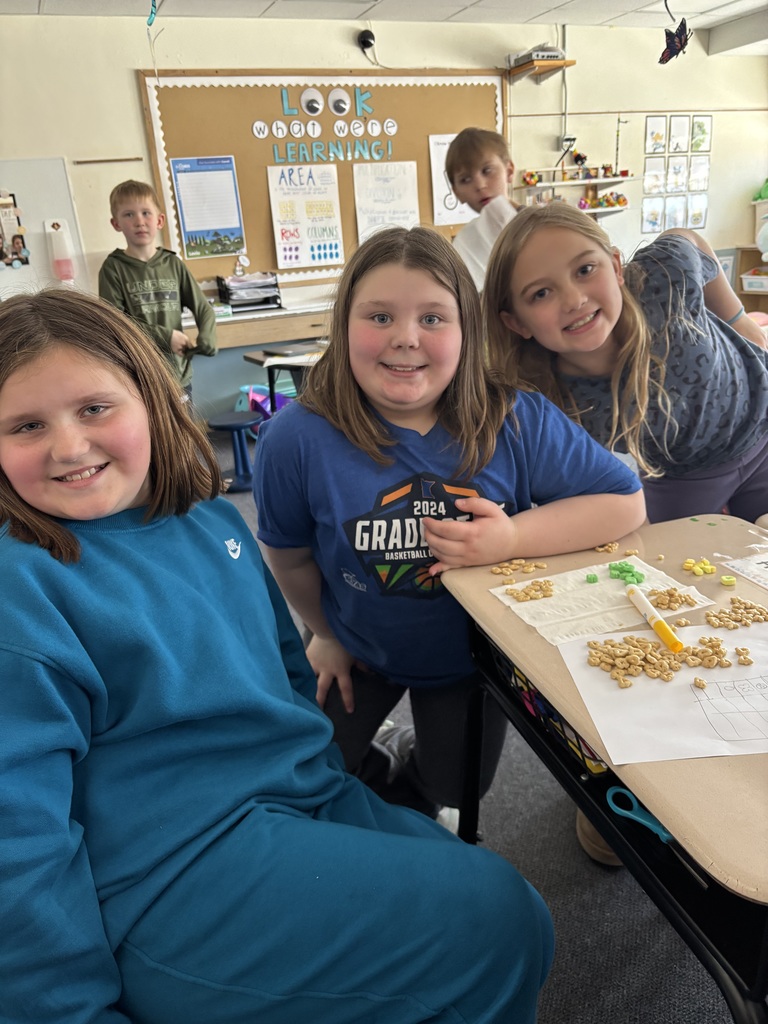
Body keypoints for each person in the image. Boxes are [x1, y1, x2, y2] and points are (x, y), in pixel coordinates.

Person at [0, 288, 555, 1024]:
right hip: (168, 878)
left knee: (491, 902)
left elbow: (283, 673)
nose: (69, 446)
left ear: (150, 401)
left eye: (95, 408)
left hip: (290, 801)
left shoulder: (204, 520)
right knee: (499, 922)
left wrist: (326, 787)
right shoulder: (21, 589)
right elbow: (18, 845)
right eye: (27, 425)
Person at [252, 225, 646, 833]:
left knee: (452, 784)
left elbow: (623, 503)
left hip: (472, 661)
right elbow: (291, 557)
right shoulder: (295, 439)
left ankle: (413, 772)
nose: (406, 338)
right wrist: (327, 633)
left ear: (467, 332)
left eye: (433, 318)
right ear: (343, 325)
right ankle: (382, 756)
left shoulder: (514, 417)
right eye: (379, 316)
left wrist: (513, 538)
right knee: (316, 769)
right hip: (358, 645)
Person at [483, 202, 768, 524]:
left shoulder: (661, 278)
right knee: (657, 565)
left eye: (585, 270)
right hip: (682, 477)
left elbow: (688, 238)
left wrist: (738, 316)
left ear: (617, 267)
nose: (575, 300)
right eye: (541, 293)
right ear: (517, 323)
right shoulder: (540, 398)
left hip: (763, 419)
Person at [98, 179, 217, 392]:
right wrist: (165, 337)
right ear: (116, 224)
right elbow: (114, 324)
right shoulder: (113, 268)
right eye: (128, 214)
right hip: (141, 376)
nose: (139, 221)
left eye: (146, 213)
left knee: (184, 426)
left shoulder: (173, 263)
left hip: (178, 374)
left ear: (160, 220)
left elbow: (203, 309)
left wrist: (207, 333)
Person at [445, 126, 522, 291]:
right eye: (465, 179)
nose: (480, 185)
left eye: (487, 171)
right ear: (457, 193)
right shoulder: (465, 244)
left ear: (509, 171)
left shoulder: (544, 223)